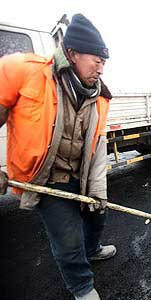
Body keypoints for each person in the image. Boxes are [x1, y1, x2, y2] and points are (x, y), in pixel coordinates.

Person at [0, 14, 115, 300]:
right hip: (48, 179)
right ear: (72, 53)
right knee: (68, 236)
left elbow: (98, 147)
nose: (101, 69)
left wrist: (98, 190)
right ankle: (82, 287)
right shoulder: (23, 72)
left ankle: (94, 249)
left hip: (82, 175)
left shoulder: (100, 98)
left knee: (97, 213)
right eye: (96, 61)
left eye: (104, 63)